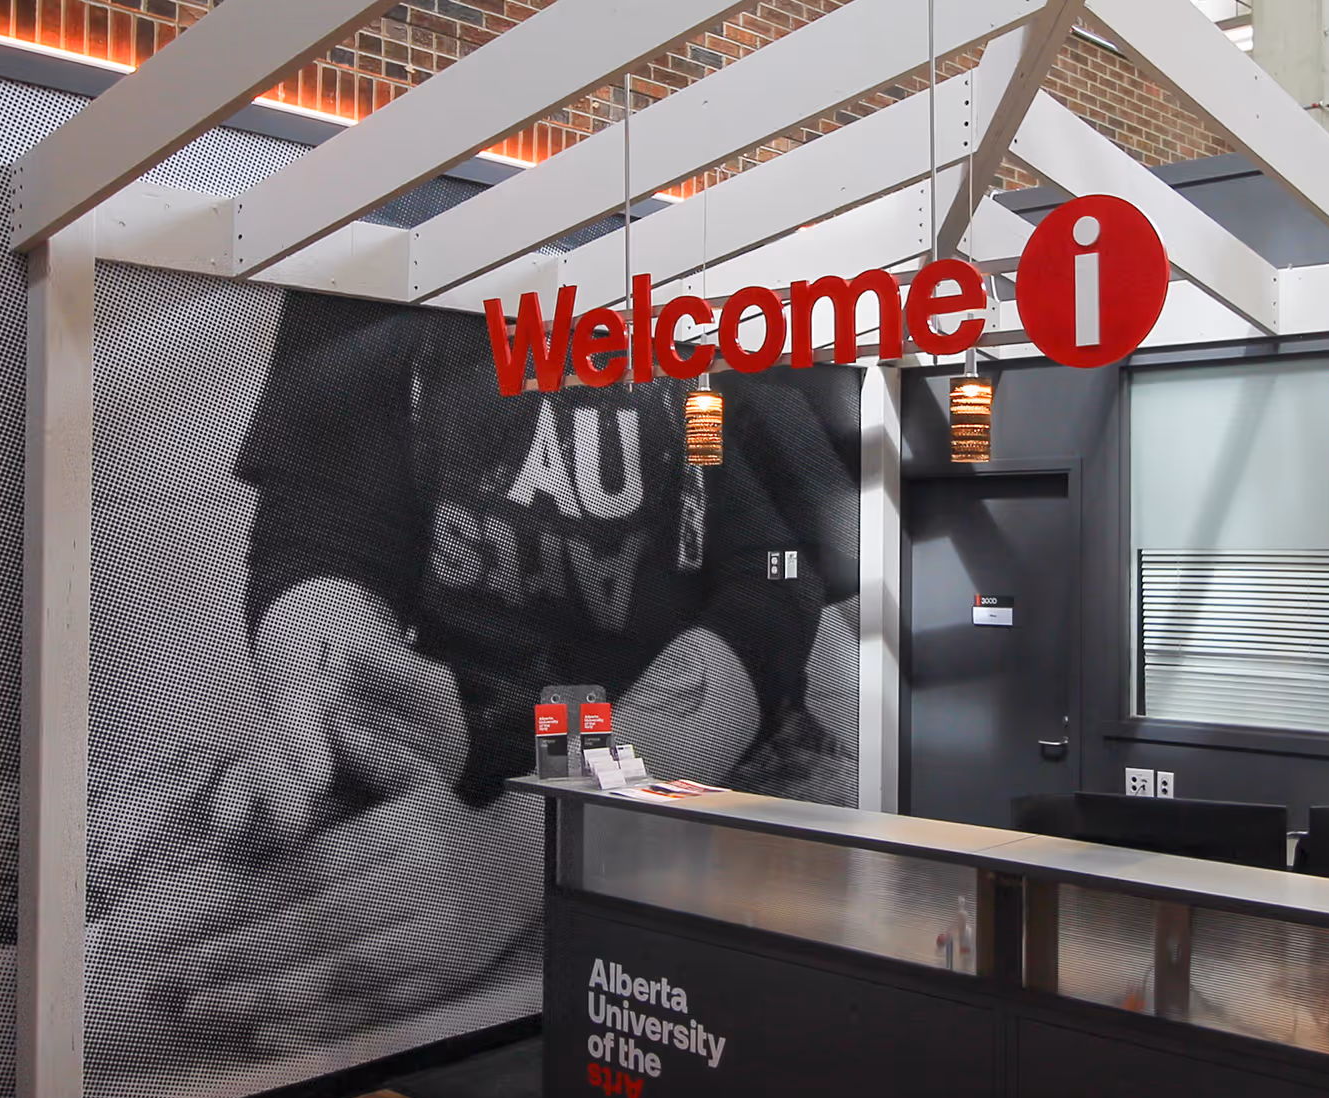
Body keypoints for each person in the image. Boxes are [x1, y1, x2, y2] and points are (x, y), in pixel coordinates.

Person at [95, 288, 859, 1058]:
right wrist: (346, 713)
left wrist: (518, 853)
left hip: (700, 762)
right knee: (156, 921)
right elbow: (323, 536)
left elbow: (766, 598)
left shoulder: (768, 275)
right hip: (447, 744)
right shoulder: (375, 220)